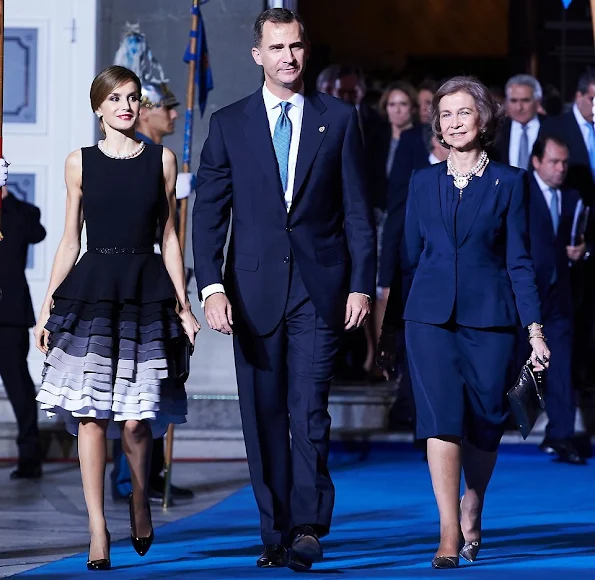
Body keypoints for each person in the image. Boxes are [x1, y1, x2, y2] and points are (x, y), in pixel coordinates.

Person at [193, 8, 375, 572]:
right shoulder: (228, 124)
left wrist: (362, 288)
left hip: (321, 290)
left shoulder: (339, 119)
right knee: (263, 412)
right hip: (250, 292)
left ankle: (306, 526)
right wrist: (212, 288)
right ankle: (272, 529)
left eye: (295, 47)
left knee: (309, 411)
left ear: (306, 48)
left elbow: (358, 214)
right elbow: (208, 217)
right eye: (277, 48)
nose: (288, 58)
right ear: (258, 54)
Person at [33, 65, 200, 570]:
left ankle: (139, 499)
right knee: (89, 417)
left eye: (133, 98)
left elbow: (169, 236)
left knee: (134, 423)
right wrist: (47, 305)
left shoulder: (161, 160)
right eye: (117, 99)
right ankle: (97, 530)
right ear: (98, 107)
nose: (127, 107)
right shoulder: (78, 162)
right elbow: (68, 239)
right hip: (93, 290)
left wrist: (183, 305)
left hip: (145, 291)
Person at [387, 76, 549, 568]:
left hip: (491, 321)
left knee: (484, 422)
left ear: (484, 119)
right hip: (428, 321)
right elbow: (407, 261)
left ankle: (472, 506)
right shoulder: (421, 181)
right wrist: (390, 327)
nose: (453, 122)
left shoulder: (512, 182)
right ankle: (448, 532)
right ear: (436, 124)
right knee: (440, 420)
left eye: (463, 112)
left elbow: (520, 262)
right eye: (445, 114)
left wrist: (535, 331)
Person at [111, 24, 195, 504]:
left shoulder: (165, 160)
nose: (174, 115)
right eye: (167, 108)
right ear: (144, 112)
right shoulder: (130, 157)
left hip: (163, 281)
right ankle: (129, 480)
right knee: (130, 384)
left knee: (161, 379)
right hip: (132, 280)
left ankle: (153, 473)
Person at [526, 135, 588, 465]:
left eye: (564, 162)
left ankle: (561, 435)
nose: (560, 168)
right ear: (536, 161)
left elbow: (579, 241)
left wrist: (582, 251)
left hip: (559, 296)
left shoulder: (573, 197)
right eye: (554, 161)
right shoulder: (518, 192)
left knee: (561, 366)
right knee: (503, 363)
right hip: (521, 296)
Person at [0, 171, 45, 480]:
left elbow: (34, 233)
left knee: (18, 385)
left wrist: (5, 200)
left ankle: (29, 456)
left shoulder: (23, 212)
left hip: (9, 313)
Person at [493, 74, 544, 170]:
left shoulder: (552, 127)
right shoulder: (497, 129)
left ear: (538, 102)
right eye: (513, 101)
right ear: (506, 102)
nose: (519, 107)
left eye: (525, 100)